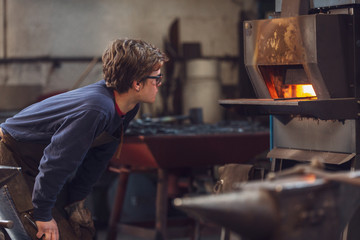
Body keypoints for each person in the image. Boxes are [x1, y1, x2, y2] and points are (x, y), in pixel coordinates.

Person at [0, 38, 168, 240]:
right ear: (137, 83)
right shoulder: (96, 109)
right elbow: (56, 161)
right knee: (43, 234)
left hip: (36, 164)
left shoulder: (128, 107)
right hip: (9, 155)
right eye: (156, 79)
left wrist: (76, 200)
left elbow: (99, 157)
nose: (159, 84)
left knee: (81, 233)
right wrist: (43, 214)